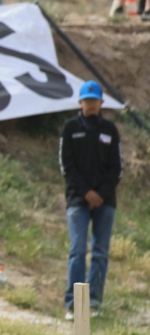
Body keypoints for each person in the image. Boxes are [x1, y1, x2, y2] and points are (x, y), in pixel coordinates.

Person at [59, 80, 122, 319]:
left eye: (95, 100)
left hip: (105, 202)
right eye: (87, 100)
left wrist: (101, 194)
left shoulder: (110, 130)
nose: (91, 104)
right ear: (80, 102)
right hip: (78, 199)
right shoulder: (70, 127)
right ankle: (73, 304)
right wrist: (86, 192)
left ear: (101, 103)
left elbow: (116, 167)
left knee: (100, 252)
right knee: (77, 250)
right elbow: (67, 166)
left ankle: (93, 302)